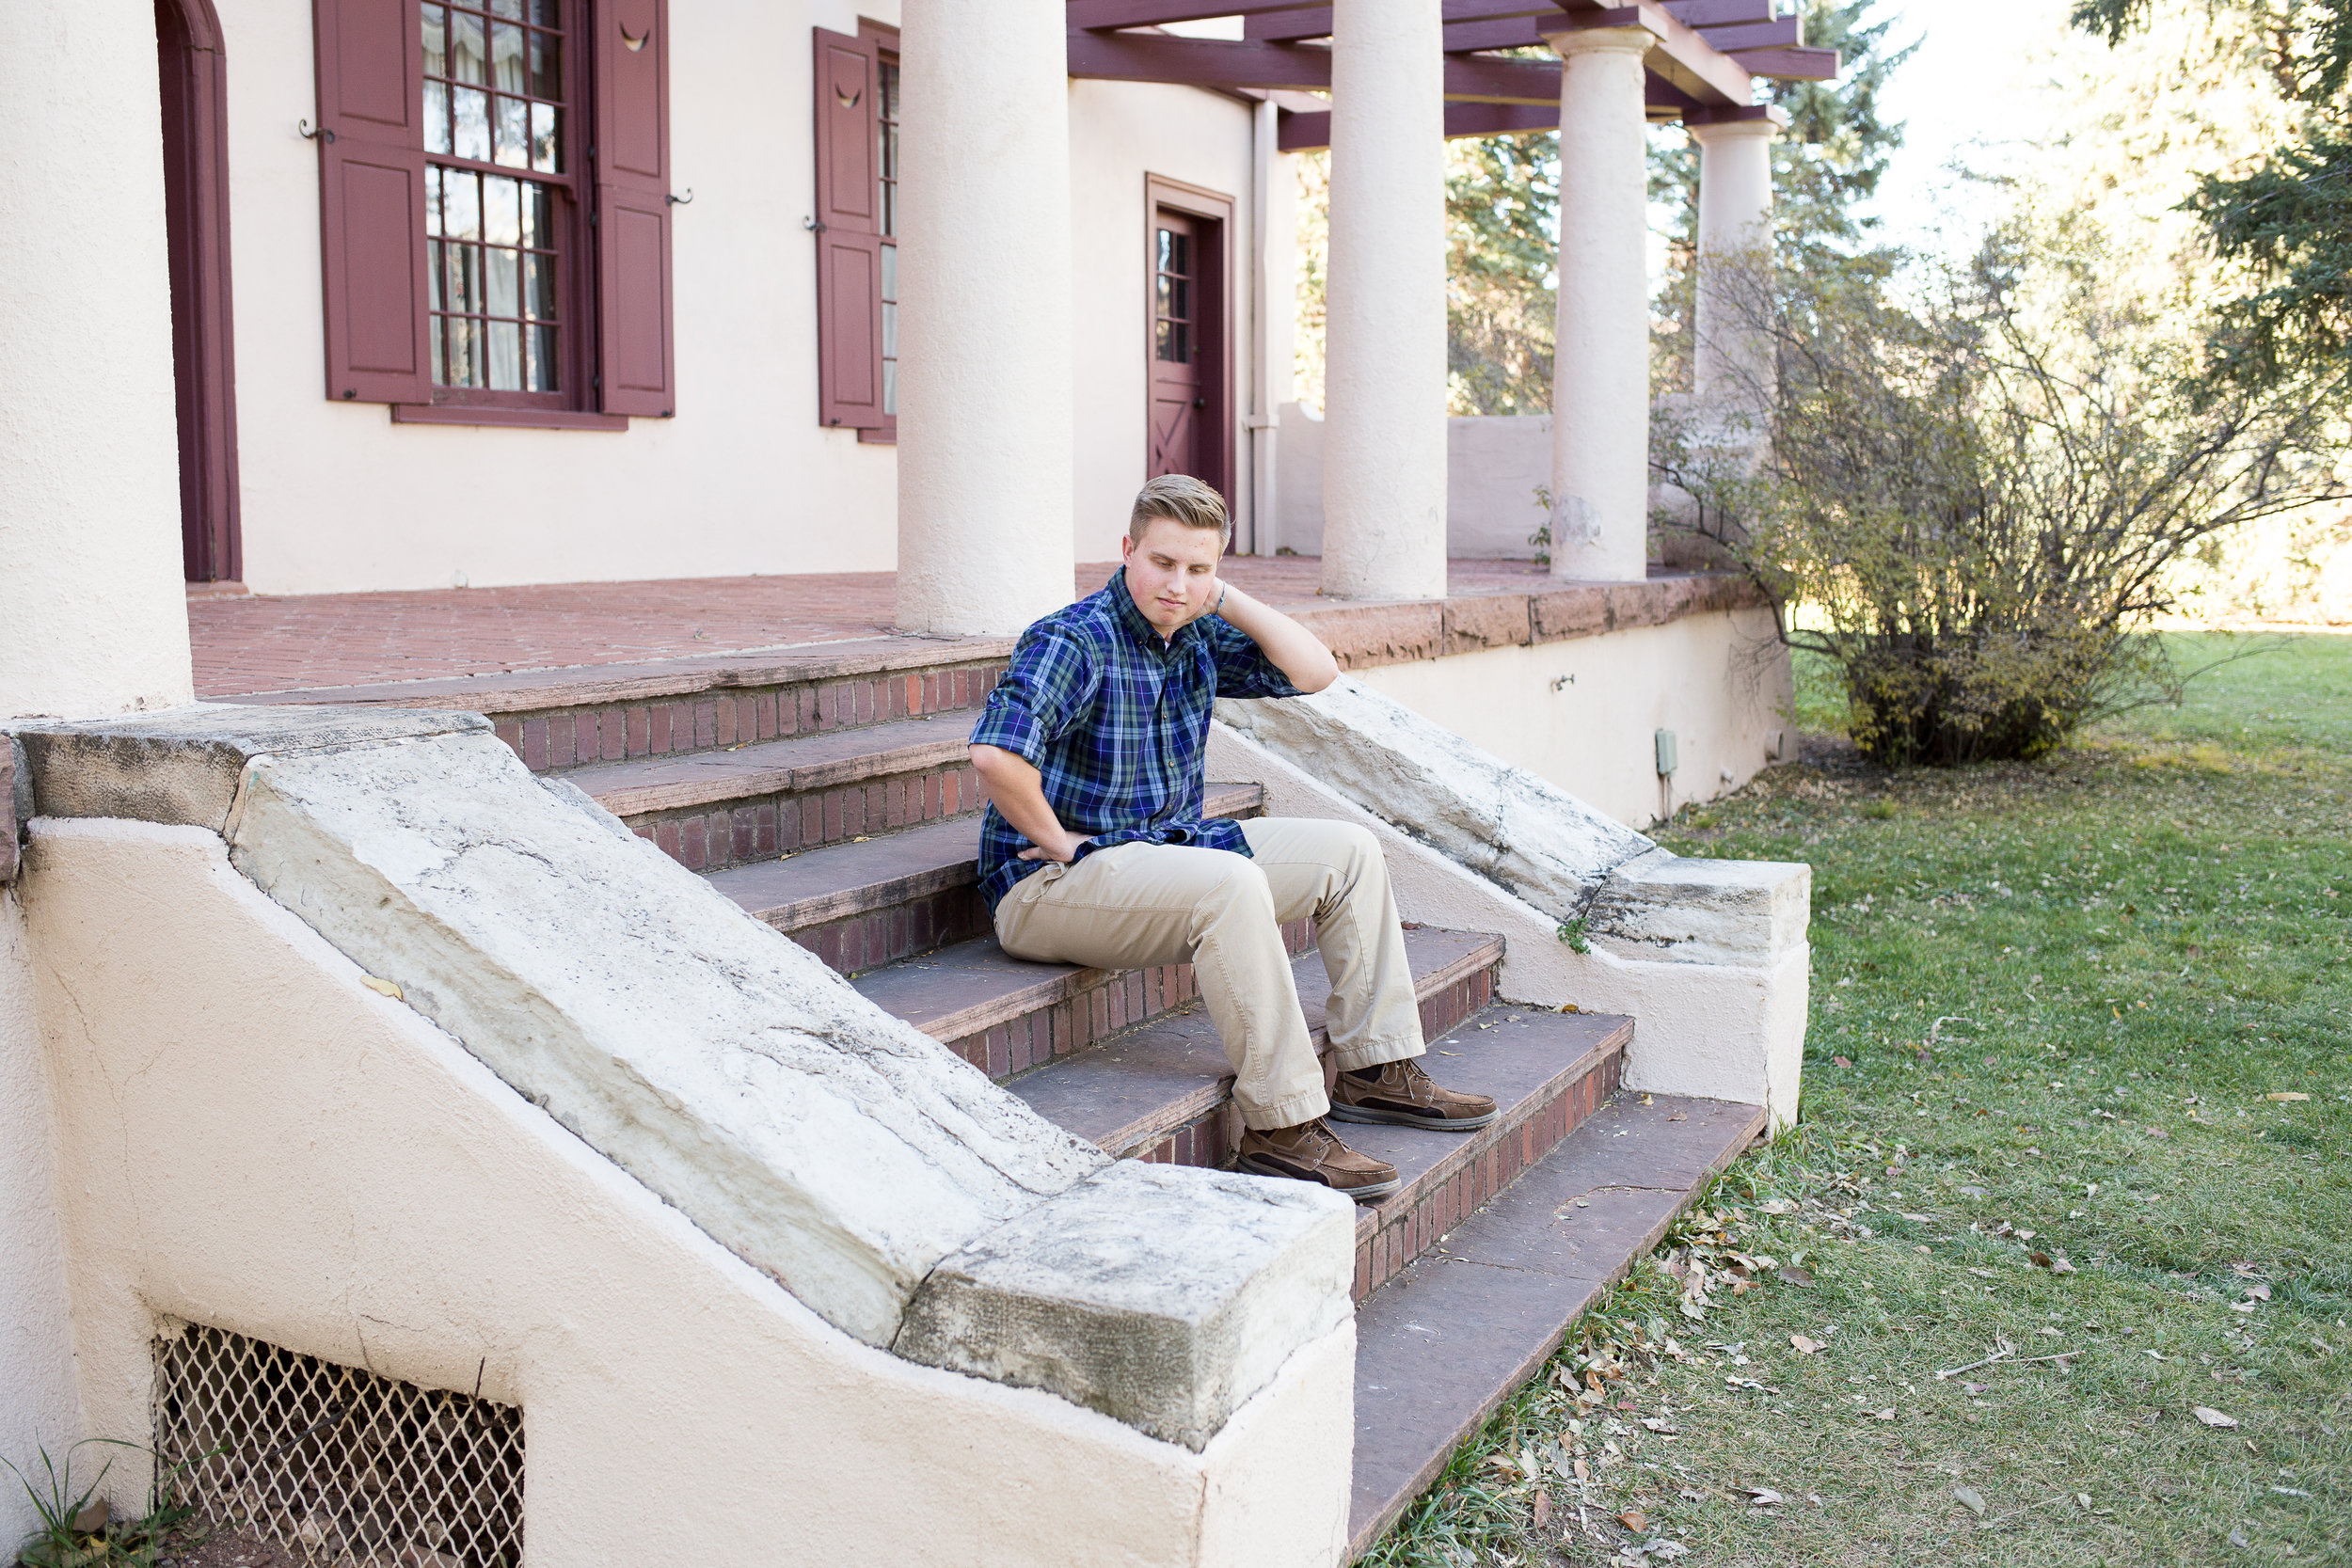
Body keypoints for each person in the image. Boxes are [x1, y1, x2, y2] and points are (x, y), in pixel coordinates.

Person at [967, 474, 1496, 1203]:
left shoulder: (1196, 636)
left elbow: (1315, 670)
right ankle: (1281, 1129)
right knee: (1232, 885)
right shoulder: (1072, 639)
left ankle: (1374, 1070)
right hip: (1049, 884)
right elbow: (996, 754)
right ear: (1126, 551)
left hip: (1158, 851)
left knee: (1349, 851)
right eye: (1161, 562)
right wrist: (1060, 843)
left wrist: (1227, 599)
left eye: (1198, 568)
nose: (1176, 584)